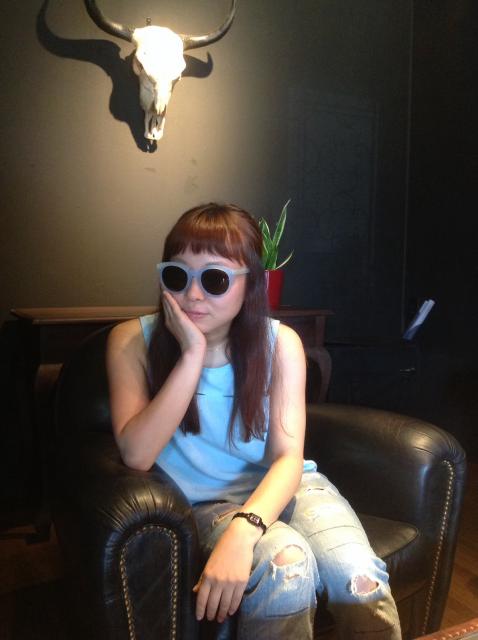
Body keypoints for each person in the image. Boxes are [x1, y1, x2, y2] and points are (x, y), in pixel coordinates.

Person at [106, 203, 402, 640]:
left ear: (251, 284)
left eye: (214, 279)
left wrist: (243, 533)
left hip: (289, 486)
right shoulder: (132, 340)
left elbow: (288, 458)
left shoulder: (281, 344)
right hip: (207, 503)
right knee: (287, 565)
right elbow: (137, 454)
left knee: (360, 581)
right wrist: (191, 355)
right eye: (177, 275)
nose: (193, 294)